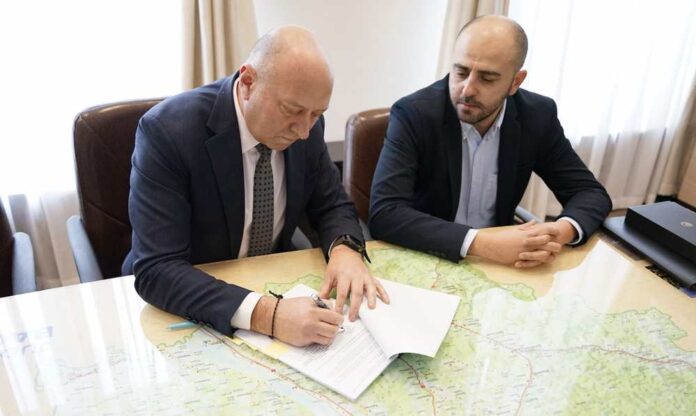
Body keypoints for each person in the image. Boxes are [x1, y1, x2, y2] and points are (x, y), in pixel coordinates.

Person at [123, 26, 388, 347]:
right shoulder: (167, 132)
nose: (304, 131)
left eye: (316, 113)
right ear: (248, 82)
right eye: (292, 111)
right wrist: (268, 315)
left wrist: (345, 249)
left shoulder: (307, 125)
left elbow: (331, 204)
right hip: (189, 301)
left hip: (268, 278)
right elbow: (157, 269)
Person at [369, 15, 611, 268]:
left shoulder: (537, 115)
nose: (467, 89)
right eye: (461, 72)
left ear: (515, 82)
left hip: (503, 264)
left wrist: (557, 232)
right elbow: (385, 213)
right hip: (430, 256)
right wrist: (482, 244)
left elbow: (589, 193)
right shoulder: (414, 114)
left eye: (487, 78)